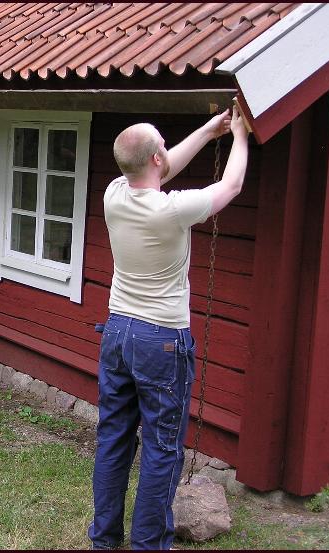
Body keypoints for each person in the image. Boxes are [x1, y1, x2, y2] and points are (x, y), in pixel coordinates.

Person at [88, 105, 249, 550]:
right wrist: (238, 135)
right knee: (161, 449)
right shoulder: (172, 209)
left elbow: (163, 164)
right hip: (161, 339)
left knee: (114, 438)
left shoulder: (113, 193)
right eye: (161, 146)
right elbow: (232, 184)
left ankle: (104, 540)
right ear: (156, 159)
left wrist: (206, 130)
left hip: (118, 332)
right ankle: (147, 545)